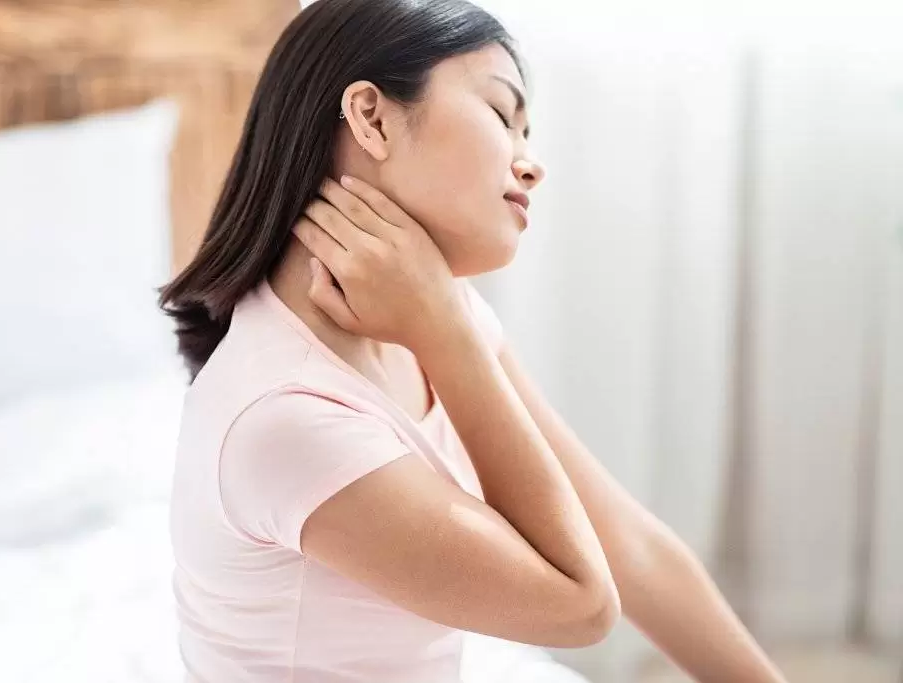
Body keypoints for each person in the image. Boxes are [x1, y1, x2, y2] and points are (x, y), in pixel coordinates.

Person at [159, 1, 789, 681]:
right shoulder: (284, 416)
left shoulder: (431, 312)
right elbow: (580, 605)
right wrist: (445, 332)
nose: (532, 164)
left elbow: (629, 546)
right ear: (371, 117)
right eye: (501, 115)